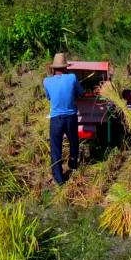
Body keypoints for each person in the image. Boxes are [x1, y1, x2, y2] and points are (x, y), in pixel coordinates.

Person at [43, 53, 84, 185]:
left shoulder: (46, 81)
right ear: (66, 67)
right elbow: (80, 93)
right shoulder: (72, 77)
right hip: (70, 117)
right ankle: (73, 163)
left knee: (56, 148)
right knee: (73, 141)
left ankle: (59, 179)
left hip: (55, 120)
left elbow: (49, 97)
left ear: (53, 69)